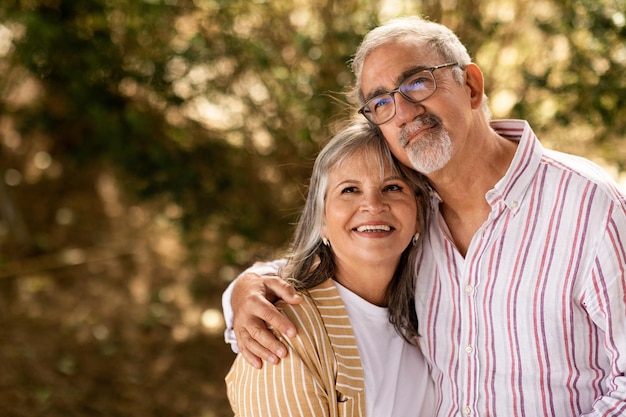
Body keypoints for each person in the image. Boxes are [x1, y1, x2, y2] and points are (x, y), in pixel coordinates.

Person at [224, 16, 626, 417]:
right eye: (380, 102)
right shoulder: (412, 214)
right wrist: (247, 286)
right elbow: (341, 262)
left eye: (417, 82)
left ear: (471, 86)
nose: (402, 111)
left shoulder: (590, 205)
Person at [225, 120, 435, 417]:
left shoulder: (433, 314)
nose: (373, 205)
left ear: (418, 214)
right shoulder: (284, 334)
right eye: (350, 189)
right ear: (321, 220)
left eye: (392, 187)